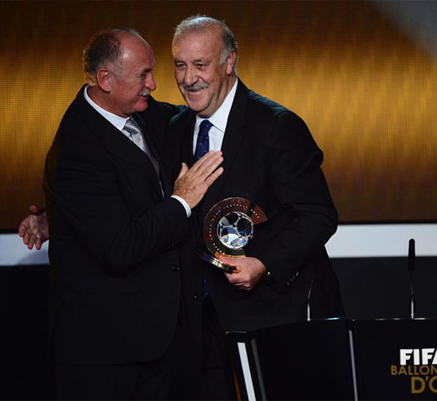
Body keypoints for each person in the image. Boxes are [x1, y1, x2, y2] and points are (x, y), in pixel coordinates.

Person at [30, 27, 223, 400]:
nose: (153, 83)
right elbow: (120, 247)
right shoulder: (77, 149)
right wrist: (181, 201)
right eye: (142, 75)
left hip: (158, 343)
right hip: (105, 355)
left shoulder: (142, 113)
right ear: (105, 80)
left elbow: (184, 117)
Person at [167, 16, 345, 400]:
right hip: (201, 326)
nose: (188, 78)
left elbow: (318, 215)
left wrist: (263, 263)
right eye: (180, 65)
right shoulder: (175, 128)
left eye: (201, 65)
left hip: (274, 320)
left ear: (229, 62)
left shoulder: (276, 126)